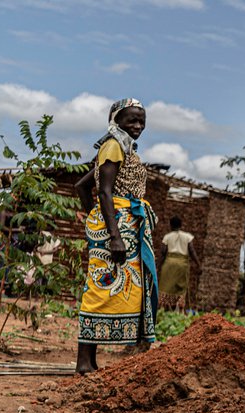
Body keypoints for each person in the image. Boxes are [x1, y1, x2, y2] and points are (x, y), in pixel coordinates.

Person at [73, 98, 158, 374]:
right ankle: (84, 362)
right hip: (117, 228)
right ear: (115, 120)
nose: (137, 126)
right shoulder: (112, 145)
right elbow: (105, 191)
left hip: (119, 224)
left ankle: (89, 362)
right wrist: (111, 234)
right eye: (131, 120)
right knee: (100, 289)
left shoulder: (120, 148)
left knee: (111, 288)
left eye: (141, 121)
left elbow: (83, 185)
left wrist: (94, 220)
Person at [157, 216, 199, 311]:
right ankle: (179, 309)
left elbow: (163, 253)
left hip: (169, 264)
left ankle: (165, 310)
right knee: (180, 289)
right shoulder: (187, 236)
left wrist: (157, 266)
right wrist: (198, 265)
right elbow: (192, 251)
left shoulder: (167, 237)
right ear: (181, 225)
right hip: (182, 265)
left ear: (171, 225)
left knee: (166, 288)